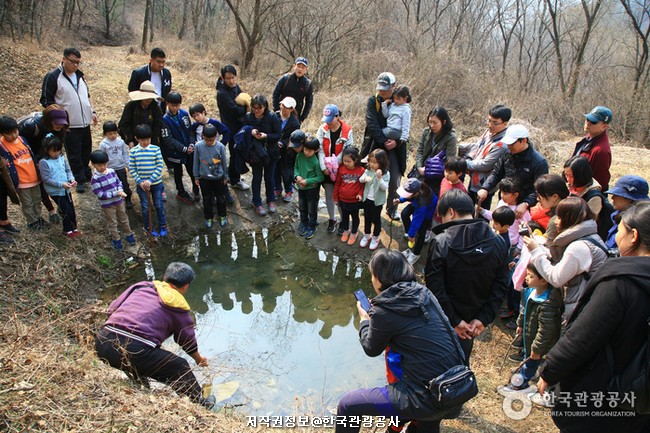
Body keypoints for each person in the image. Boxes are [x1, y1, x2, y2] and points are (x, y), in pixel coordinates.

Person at [537, 201, 650, 432]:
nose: (617, 235)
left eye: (621, 229)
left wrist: (550, 370)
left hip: (604, 392)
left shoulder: (621, 282)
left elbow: (584, 335)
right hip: (641, 396)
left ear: (634, 236)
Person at [335, 249, 466, 433]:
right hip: (455, 388)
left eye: (372, 275)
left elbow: (371, 348)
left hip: (425, 396)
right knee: (426, 420)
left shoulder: (385, 311)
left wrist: (365, 320)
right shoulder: (424, 293)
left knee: (348, 405)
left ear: (379, 278)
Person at [95, 262, 216, 409]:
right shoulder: (177, 305)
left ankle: (141, 384)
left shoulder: (142, 286)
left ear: (165, 277)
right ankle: (201, 404)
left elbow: (112, 308)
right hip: (133, 351)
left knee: (147, 355)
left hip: (102, 341)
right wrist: (198, 359)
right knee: (179, 366)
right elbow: (186, 341)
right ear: (186, 286)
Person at [424, 189, 510, 363]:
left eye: (443, 217)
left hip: (443, 320)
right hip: (472, 324)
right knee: (460, 363)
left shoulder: (441, 242)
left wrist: (454, 320)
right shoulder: (498, 242)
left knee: (435, 362)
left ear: (451, 212)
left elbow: (435, 288)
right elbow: (501, 286)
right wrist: (484, 318)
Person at [523, 197, 608, 321]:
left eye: (559, 217)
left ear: (570, 219)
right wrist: (535, 243)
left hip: (581, 310)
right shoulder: (589, 236)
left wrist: (536, 252)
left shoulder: (578, 248)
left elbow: (556, 278)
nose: (556, 222)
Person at [497, 263, 562, 397]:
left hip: (538, 344)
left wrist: (537, 349)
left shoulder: (547, 304)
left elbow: (546, 331)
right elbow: (525, 310)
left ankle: (520, 385)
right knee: (529, 359)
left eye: (530, 276)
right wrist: (520, 324)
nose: (526, 278)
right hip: (529, 337)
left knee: (531, 362)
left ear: (544, 280)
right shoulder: (533, 291)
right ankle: (527, 374)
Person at [40, 47, 98, 193]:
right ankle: (78, 179)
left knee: (86, 150)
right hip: (68, 124)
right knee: (74, 153)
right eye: (73, 62)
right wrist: (58, 120)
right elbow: (46, 101)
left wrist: (93, 112)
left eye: (78, 62)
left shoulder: (79, 75)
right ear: (64, 59)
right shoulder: (53, 76)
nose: (76, 65)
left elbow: (87, 97)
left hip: (84, 121)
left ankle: (85, 172)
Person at [477, 124, 548, 220]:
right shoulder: (506, 152)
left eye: (512, 144)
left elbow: (539, 189)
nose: (509, 146)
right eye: (508, 143)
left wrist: (526, 203)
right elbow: (497, 173)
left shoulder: (538, 162)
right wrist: (485, 188)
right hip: (506, 200)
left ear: (524, 140)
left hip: (524, 208)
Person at [360, 72, 405, 220]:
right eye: (380, 88)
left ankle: (392, 208)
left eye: (386, 89)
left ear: (394, 86)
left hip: (394, 147)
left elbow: (405, 126)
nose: (382, 92)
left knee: (394, 180)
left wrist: (397, 143)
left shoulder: (401, 102)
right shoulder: (373, 101)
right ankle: (367, 205)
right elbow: (372, 124)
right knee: (370, 175)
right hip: (376, 143)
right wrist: (384, 140)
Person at [19, 106, 70, 222]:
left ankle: (62, 208)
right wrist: (35, 161)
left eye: (62, 123)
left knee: (58, 178)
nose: (60, 125)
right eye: (57, 123)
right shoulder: (31, 126)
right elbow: (21, 145)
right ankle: (51, 210)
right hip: (32, 156)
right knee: (42, 182)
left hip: (49, 154)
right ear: (48, 120)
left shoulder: (61, 129)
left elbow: (59, 143)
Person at [460, 104, 510, 209]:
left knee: (480, 216)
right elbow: (477, 147)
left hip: (485, 184)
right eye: (489, 120)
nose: (490, 125)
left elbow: (486, 164)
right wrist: (468, 157)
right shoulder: (488, 132)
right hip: (474, 177)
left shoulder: (503, 143)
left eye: (495, 123)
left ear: (505, 123)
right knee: (468, 209)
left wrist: (463, 164)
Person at [0, 116, 44, 230]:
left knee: (37, 199)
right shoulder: (2, 146)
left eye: (15, 131)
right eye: (9, 133)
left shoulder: (22, 139)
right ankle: (32, 221)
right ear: (2, 134)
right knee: (27, 202)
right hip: (22, 181)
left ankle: (38, 217)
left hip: (33, 177)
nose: (14, 135)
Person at [317, 104, 354, 233]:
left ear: (337, 116)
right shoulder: (322, 129)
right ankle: (332, 219)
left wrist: (334, 163)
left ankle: (344, 221)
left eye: (330, 119)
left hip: (341, 168)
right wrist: (324, 166)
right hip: (326, 168)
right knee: (329, 194)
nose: (328, 123)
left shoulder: (347, 131)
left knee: (341, 196)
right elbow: (320, 149)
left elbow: (347, 151)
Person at [243, 94, 282, 216]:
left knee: (269, 178)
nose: (256, 111)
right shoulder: (249, 117)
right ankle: (257, 202)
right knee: (256, 178)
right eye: (254, 108)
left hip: (271, 152)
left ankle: (270, 200)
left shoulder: (272, 117)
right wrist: (251, 131)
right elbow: (244, 130)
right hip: (256, 153)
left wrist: (266, 136)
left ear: (265, 107)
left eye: (259, 108)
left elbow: (278, 135)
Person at [89, 150, 136, 251]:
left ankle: (129, 234)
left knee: (124, 218)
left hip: (119, 201)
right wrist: (115, 193)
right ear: (93, 164)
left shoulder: (111, 171)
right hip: (108, 205)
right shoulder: (95, 179)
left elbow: (119, 182)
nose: (102, 167)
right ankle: (116, 239)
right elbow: (100, 194)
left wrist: (120, 189)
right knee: (112, 222)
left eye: (104, 164)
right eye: (99, 165)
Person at [215, 64, 250, 191]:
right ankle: (235, 180)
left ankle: (232, 174)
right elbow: (235, 110)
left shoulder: (235, 87)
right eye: (228, 78)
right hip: (230, 126)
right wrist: (246, 108)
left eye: (233, 77)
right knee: (235, 151)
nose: (231, 80)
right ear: (223, 78)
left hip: (239, 125)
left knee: (237, 151)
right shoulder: (222, 93)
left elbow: (242, 96)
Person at [161, 91, 199, 204]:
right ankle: (181, 191)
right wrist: (183, 148)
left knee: (193, 171)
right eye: (173, 105)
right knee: (178, 173)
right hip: (175, 152)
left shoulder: (184, 114)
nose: (175, 108)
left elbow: (190, 130)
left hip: (189, 149)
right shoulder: (164, 120)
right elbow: (168, 139)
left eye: (177, 105)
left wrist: (191, 144)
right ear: (167, 104)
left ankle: (196, 188)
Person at [129, 124, 167, 237]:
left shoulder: (155, 149)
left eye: (148, 139)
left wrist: (150, 180)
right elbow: (132, 168)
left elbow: (160, 166)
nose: (146, 142)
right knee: (145, 206)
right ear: (137, 139)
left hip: (155, 183)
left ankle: (163, 225)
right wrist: (140, 181)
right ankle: (148, 226)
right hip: (141, 185)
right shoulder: (133, 151)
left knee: (159, 204)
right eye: (143, 139)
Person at [39, 135, 80, 238]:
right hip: (56, 191)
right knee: (66, 210)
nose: (56, 153)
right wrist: (61, 184)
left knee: (71, 208)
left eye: (58, 150)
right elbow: (46, 179)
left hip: (66, 189)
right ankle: (67, 230)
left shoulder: (61, 158)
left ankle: (74, 227)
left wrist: (71, 179)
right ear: (46, 150)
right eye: (54, 151)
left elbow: (68, 170)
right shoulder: (44, 162)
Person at [563, 155, 612, 241]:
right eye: (566, 175)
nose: (568, 179)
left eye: (571, 176)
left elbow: (586, 223)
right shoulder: (571, 186)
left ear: (580, 176)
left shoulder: (594, 198)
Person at [415, 107, 458, 196]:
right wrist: (419, 167)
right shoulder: (426, 132)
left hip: (437, 176)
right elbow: (420, 151)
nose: (432, 126)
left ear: (444, 122)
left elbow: (450, 160)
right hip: (422, 172)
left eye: (435, 123)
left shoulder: (451, 137)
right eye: (430, 122)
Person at [193, 124, 228, 229]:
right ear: (202, 136)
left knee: (221, 198)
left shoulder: (220, 146)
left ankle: (222, 215)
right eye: (207, 140)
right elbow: (196, 162)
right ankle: (209, 217)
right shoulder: (198, 146)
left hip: (218, 178)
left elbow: (224, 163)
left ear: (216, 136)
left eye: (211, 140)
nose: (209, 142)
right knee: (206, 199)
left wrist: (225, 176)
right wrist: (196, 176)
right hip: (204, 178)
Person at [395, 178, 437, 266]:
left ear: (416, 193)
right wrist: (400, 200)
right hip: (416, 202)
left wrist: (412, 233)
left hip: (427, 211)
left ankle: (416, 254)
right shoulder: (416, 186)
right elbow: (408, 194)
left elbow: (416, 220)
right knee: (404, 213)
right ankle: (410, 234)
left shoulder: (422, 201)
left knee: (421, 231)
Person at [604, 175, 649, 250]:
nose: (612, 198)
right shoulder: (616, 215)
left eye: (616, 195)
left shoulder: (640, 222)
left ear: (629, 199)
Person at [572, 105, 612, 191]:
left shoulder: (601, 151)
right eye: (587, 119)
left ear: (604, 126)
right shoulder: (589, 138)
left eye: (593, 122)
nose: (588, 123)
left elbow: (599, 183)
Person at [359, 149, 390, 250]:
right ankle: (367, 235)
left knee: (376, 219)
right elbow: (360, 179)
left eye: (375, 162)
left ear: (382, 162)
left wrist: (379, 178)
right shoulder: (368, 170)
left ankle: (376, 237)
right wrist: (364, 178)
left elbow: (384, 187)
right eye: (370, 161)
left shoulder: (386, 174)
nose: (372, 164)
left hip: (377, 202)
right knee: (367, 218)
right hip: (367, 199)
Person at [119, 80, 164, 149]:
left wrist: (154, 143)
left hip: (150, 142)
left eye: (150, 98)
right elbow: (124, 124)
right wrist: (130, 140)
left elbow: (158, 127)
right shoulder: (131, 106)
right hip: (134, 141)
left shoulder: (156, 108)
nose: (148, 100)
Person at [334, 147, 365, 246]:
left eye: (348, 161)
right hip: (343, 199)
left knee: (355, 217)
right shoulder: (341, 169)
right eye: (344, 161)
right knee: (345, 217)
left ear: (355, 160)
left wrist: (360, 194)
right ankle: (346, 230)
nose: (346, 163)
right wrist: (335, 197)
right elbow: (337, 183)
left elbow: (363, 186)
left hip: (354, 200)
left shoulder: (361, 170)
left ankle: (354, 232)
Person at [294, 138, 324, 239]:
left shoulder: (315, 161)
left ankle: (312, 226)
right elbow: (296, 168)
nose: (306, 152)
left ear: (315, 151)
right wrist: (297, 176)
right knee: (302, 207)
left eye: (310, 151)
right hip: (301, 187)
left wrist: (306, 181)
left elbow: (320, 177)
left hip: (312, 189)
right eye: (305, 149)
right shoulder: (299, 155)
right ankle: (303, 222)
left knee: (312, 209)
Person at [100, 121, 133, 209]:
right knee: (112, 185)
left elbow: (125, 154)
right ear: (106, 134)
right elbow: (102, 157)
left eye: (115, 133)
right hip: (110, 169)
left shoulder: (121, 142)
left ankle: (128, 198)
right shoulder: (103, 144)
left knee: (124, 184)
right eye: (110, 134)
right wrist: (104, 168)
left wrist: (128, 165)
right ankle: (115, 200)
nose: (113, 135)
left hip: (120, 167)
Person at [128, 47, 172, 112]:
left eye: (163, 62)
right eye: (158, 62)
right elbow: (132, 91)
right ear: (151, 61)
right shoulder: (138, 73)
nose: (161, 65)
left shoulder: (166, 73)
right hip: (142, 110)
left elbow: (167, 90)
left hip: (160, 110)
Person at [274, 97, 301, 202]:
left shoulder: (294, 122)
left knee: (286, 171)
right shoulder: (275, 116)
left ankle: (288, 190)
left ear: (291, 109)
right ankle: (277, 188)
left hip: (287, 151)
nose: (284, 109)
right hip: (274, 149)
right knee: (275, 170)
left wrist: (283, 143)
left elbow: (293, 137)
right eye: (283, 106)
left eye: (287, 107)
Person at [271, 57, 314, 123]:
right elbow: (275, 94)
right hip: (281, 113)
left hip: (295, 116)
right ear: (294, 66)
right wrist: (277, 110)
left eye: (303, 67)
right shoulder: (285, 79)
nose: (300, 69)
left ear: (306, 69)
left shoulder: (307, 84)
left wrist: (302, 118)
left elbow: (309, 102)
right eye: (298, 66)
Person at [532, 174, 570, 242]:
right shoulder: (572, 205)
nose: (538, 199)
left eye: (540, 197)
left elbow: (548, 247)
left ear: (555, 197)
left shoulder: (556, 221)